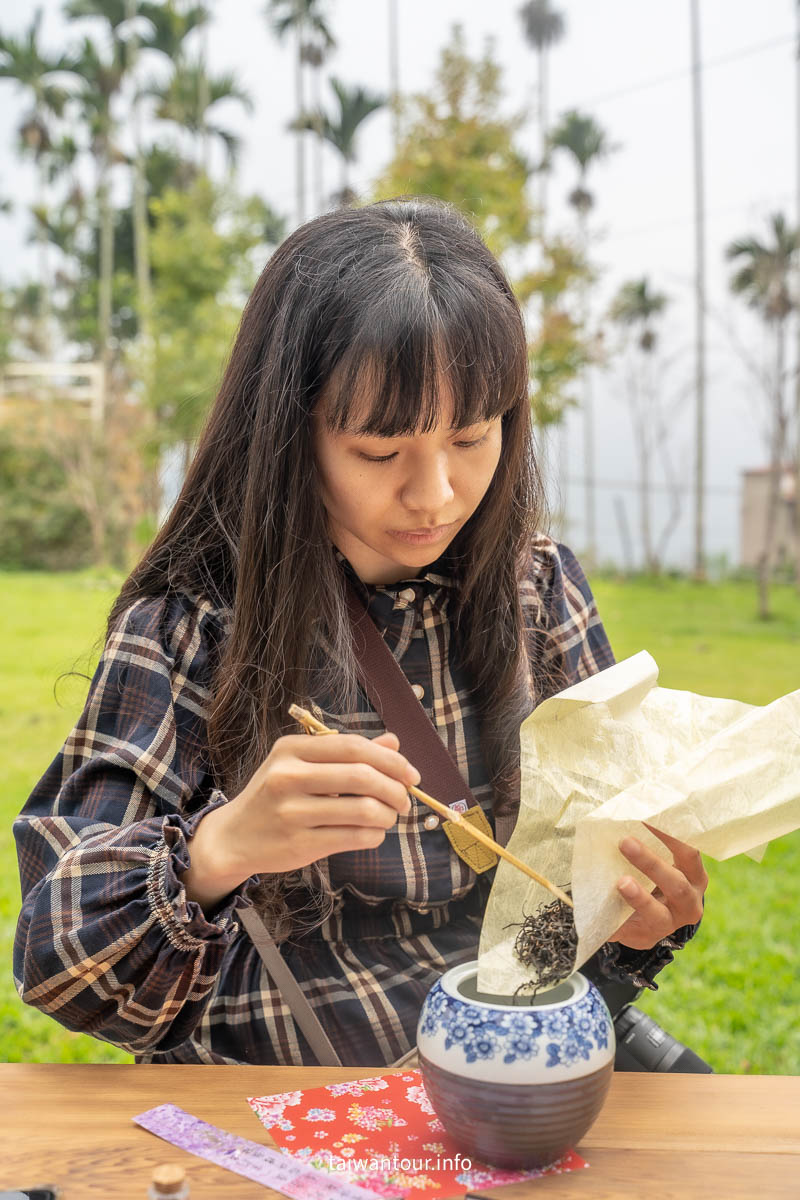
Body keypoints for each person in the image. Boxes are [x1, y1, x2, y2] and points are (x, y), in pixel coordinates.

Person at [13, 199, 707, 1067]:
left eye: (471, 436)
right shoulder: (193, 628)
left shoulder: (538, 590)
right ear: (290, 434)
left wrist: (637, 912)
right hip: (295, 1101)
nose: (436, 494)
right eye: (380, 453)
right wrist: (216, 849)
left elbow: (577, 926)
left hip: (520, 1073)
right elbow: (56, 959)